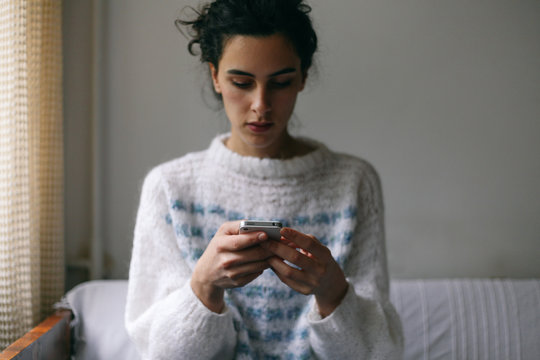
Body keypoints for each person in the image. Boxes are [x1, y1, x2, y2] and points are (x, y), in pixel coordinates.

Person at [125, 0, 403, 359]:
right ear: (215, 77)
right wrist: (203, 287)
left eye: (281, 82)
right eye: (241, 82)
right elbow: (157, 353)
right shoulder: (169, 188)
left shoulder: (354, 182)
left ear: (303, 76)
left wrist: (333, 293)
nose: (260, 104)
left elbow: (380, 353)